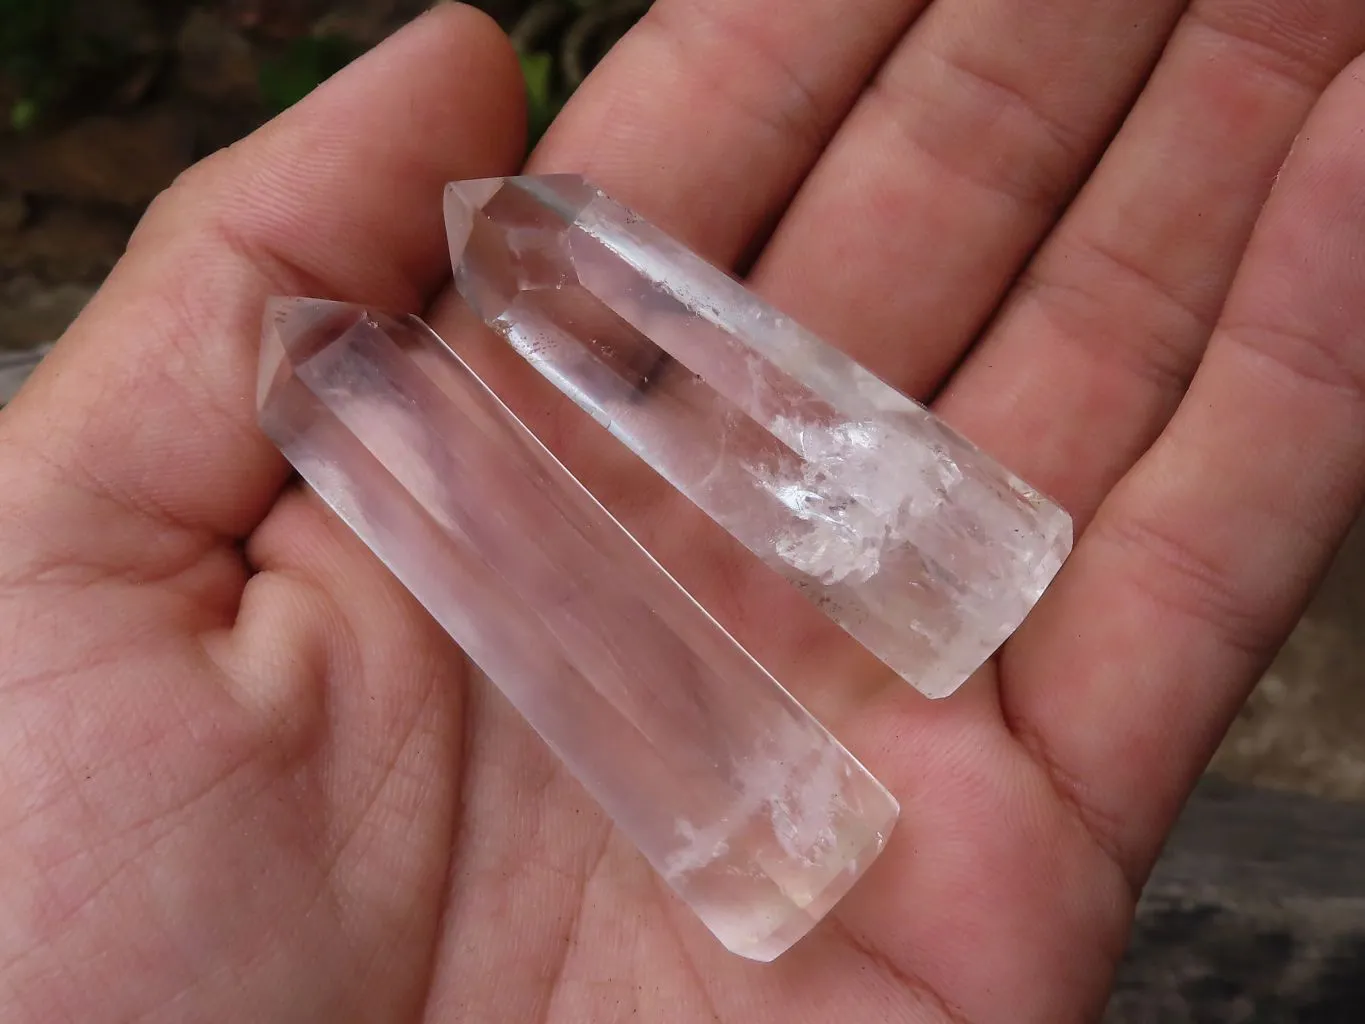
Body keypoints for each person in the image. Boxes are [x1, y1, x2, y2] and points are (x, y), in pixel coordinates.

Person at [1, 2, 1363, 1019]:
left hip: (908, 641)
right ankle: (961, 588)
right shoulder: (393, 366)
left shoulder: (500, 274)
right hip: (769, 847)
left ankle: (969, 573)